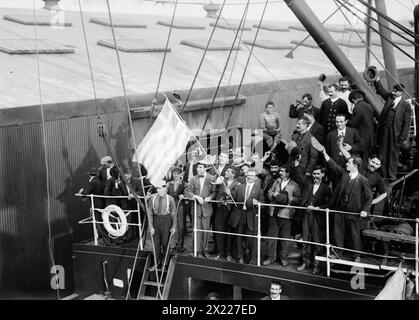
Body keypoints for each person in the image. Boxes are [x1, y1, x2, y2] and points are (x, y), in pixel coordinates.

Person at [320, 148, 373, 262]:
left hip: (354, 212)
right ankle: (337, 252)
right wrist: (325, 154)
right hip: (340, 209)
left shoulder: (363, 180)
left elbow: (369, 198)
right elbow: (333, 165)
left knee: (354, 234)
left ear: (356, 165)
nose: (346, 164)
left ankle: (356, 255)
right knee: (337, 232)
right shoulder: (344, 174)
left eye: (349, 162)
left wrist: (365, 210)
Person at [373, 77, 412, 180]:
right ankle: (384, 174)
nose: (393, 93)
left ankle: (391, 175)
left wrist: (402, 137)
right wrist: (376, 80)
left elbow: (407, 123)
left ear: (401, 92)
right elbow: (381, 91)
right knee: (383, 151)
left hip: (396, 134)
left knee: (393, 154)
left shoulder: (406, 105)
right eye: (393, 91)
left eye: (395, 91)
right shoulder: (390, 98)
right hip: (384, 131)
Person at [263, 165, 301, 267]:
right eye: (281, 171)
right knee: (271, 237)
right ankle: (270, 257)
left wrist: (286, 198)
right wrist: (272, 195)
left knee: (284, 238)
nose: (280, 173)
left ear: (288, 173)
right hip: (273, 213)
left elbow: (298, 199)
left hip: (286, 214)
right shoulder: (276, 181)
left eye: (283, 171)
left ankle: (283, 258)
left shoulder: (295, 185)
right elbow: (269, 192)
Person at [297, 166, 331, 275]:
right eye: (314, 174)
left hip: (318, 218)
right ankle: (305, 262)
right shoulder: (308, 185)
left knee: (317, 242)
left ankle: (316, 266)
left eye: (318, 174)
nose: (315, 176)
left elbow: (329, 204)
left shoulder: (326, 189)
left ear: (322, 175)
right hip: (306, 217)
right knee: (306, 240)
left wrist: (318, 208)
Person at [229, 167, 264, 264]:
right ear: (246, 175)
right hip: (239, 215)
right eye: (249, 175)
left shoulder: (259, 189)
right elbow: (233, 194)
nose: (250, 177)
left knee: (250, 239)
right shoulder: (240, 186)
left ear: (255, 177)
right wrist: (228, 193)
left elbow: (262, 202)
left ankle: (252, 259)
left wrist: (258, 203)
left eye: (252, 175)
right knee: (239, 237)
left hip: (251, 216)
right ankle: (240, 257)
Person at [185, 161, 217, 257]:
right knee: (196, 229)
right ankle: (197, 250)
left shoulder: (211, 178)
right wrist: (195, 196)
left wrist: (210, 198)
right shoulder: (192, 179)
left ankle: (205, 249)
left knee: (206, 230)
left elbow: (215, 192)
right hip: (196, 209)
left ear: (205, 168)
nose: (198, 169)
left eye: (200, 167)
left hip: (207, 209)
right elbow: (187, 191)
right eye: (197, 167)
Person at [147, 181, 177, 272]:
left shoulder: (170, 199)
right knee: (156, 243)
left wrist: (174, 226)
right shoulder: (153, 199)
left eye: (160, 188)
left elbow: (173, 214)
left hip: (166, 221)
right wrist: (151, 227)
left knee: (165, 243)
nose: (159, 190)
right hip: (156, 220)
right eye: (157, 189)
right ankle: (156, 263)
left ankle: (164, 263)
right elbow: (150, 213)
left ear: (165, 188)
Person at [213, 166, 240, 261]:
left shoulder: (238, 184)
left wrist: (230, 194)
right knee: (219, 230)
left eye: (228, 171)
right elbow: (213, 182)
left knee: (229, 232)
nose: (226, 172)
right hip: (220, 208)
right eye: (226, 170)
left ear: (233, 174)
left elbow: (237, 196)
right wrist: (217, 174)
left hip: (231, 210)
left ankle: (229, 253)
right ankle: (220, 253)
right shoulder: (221, 180)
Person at [79, 167, 111, 245]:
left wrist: (81, 191)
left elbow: (85, 192)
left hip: (97, 205)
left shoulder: (93, 182)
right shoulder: (98, 181)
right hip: (100, 204)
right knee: (101, 222)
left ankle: (106, 240)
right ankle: (105, 239)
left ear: (89, 175)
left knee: (98, 224)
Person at [347, 89, 379, 160]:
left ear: (353, 100)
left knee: (363, 156)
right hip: (370, 136)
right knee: (367, 156)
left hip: (363, 136)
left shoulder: (357, 107)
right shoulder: (369, 106)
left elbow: (353, 123)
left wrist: (346, 121)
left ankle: (363, 170)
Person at [167, 167, 187, 253]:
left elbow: (187, 192)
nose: (175, 175)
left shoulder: (184, 184)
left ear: (181, 174)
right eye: (174, 174)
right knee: (171, 225)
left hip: (180, 206)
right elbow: (165, 193)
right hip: (171, 206)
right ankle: (171, 245)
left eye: (177, 174)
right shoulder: (168, 184)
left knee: (181, 226)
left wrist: (184, 195)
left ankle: (180, 245)